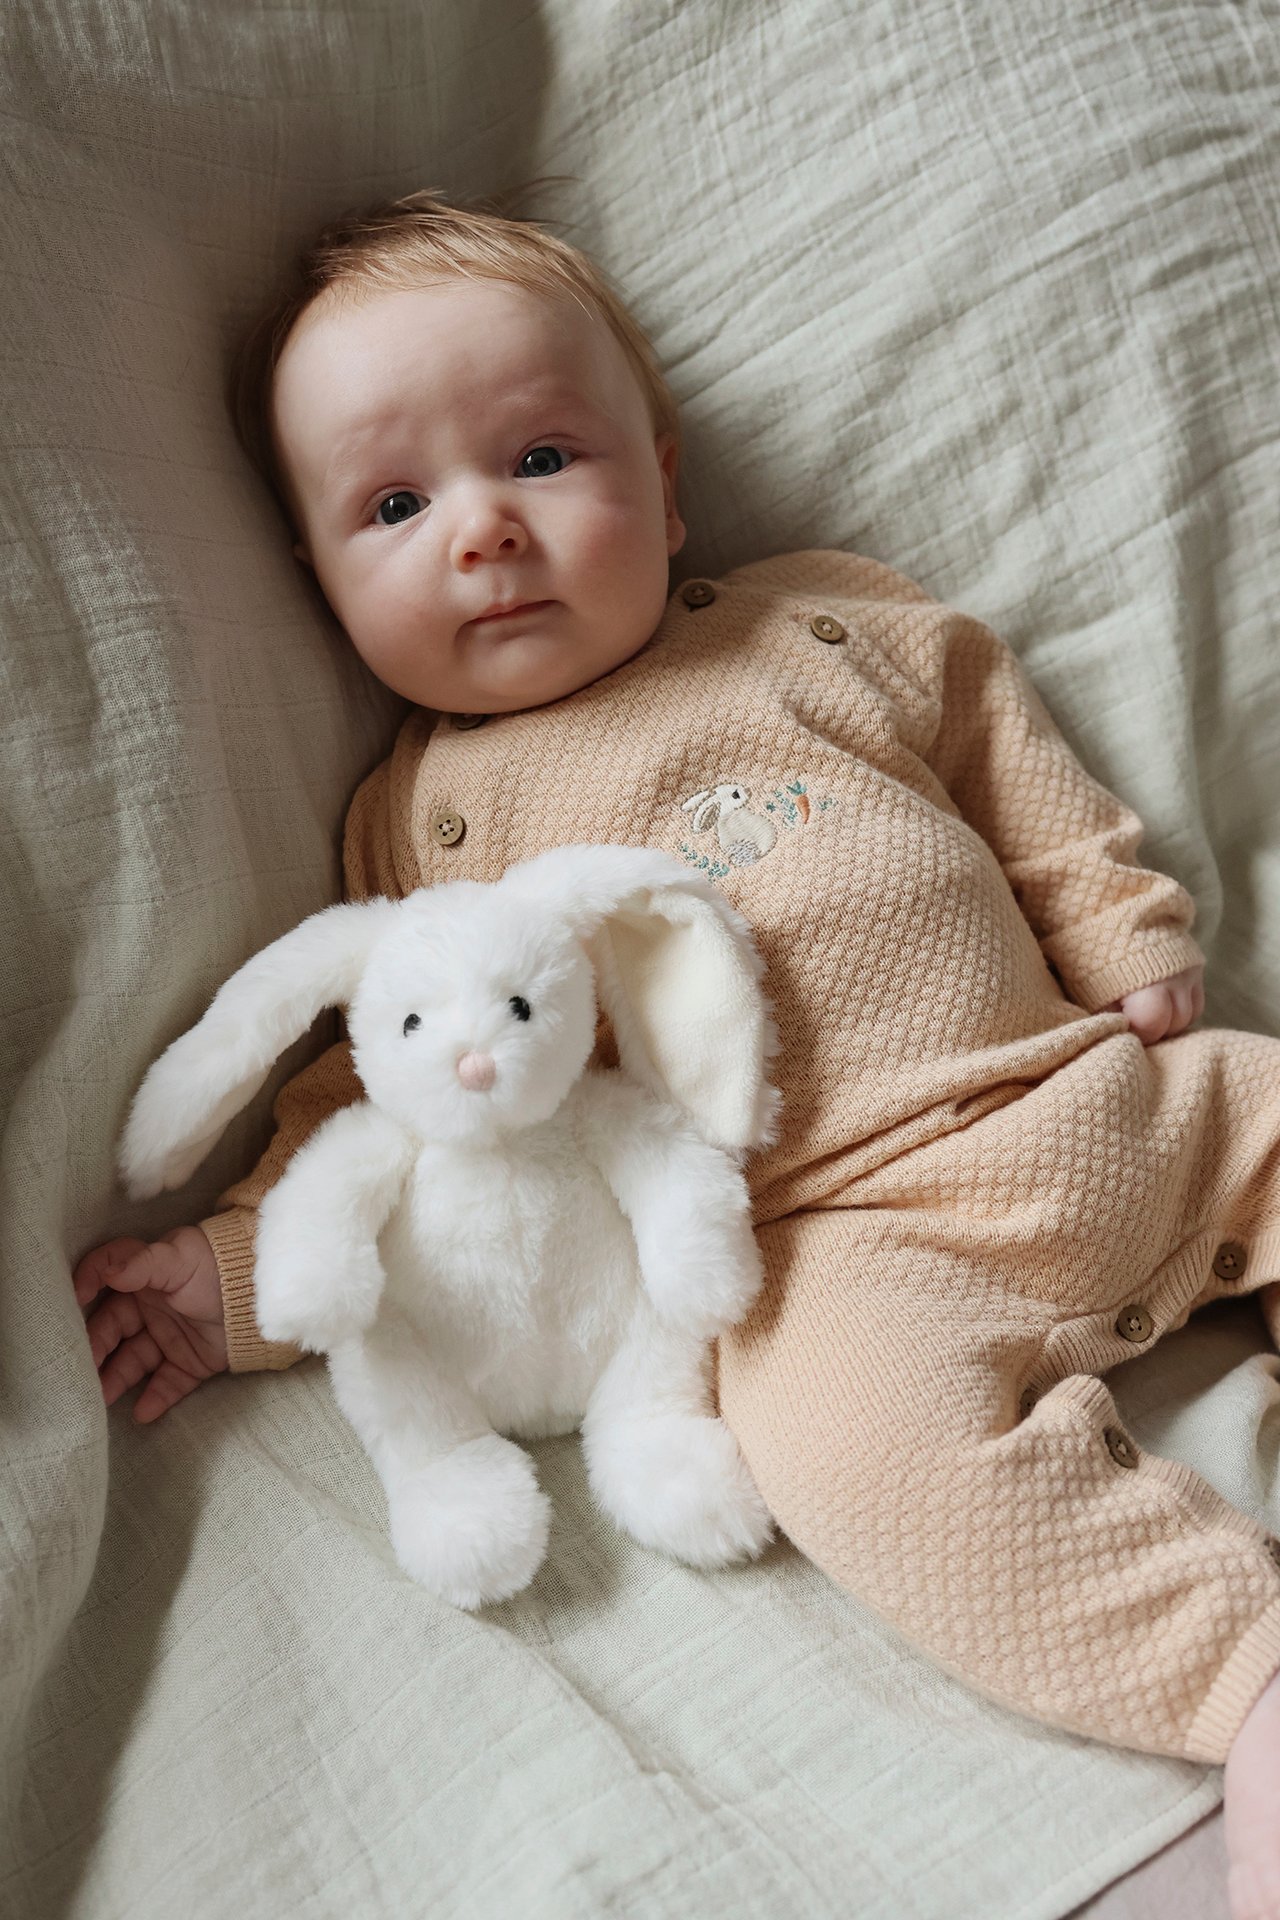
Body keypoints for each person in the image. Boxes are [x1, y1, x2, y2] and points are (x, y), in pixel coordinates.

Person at [72, 189, 1280, 1917]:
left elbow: (990, 727)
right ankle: (1242, 1674)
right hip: (846, 1246)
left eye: (541, 458)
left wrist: (1119, 918)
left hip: (1111, 1092)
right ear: (320, 582)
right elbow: (388, 1098)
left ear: (664, 479)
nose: (485, 530)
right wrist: (243, 1275)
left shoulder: (818, 622)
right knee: (845, 1453)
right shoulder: (431, 821)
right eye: (396, 507)